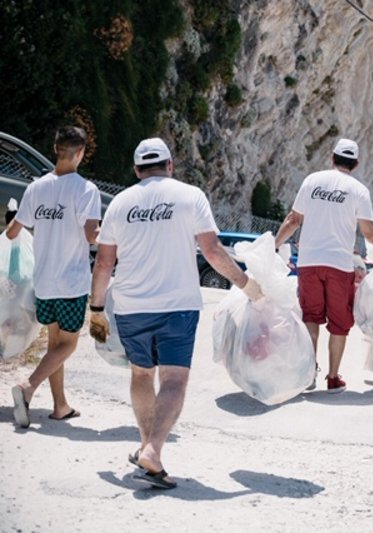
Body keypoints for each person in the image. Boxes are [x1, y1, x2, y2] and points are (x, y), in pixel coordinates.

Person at [89, 137, 264, 490]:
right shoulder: (190, 195)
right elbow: (212, 252)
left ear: (137, 170)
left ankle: (145, 448)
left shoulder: (120, 203)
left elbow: (105, 262)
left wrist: (95, 309)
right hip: (177, 307)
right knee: (173, 379)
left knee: (141, 374)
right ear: (170, 165)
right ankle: (152, 450)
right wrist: (245, 284)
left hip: (130, 306)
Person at [275, 138, 373, 393]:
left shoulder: (312, 181)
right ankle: (332, 378)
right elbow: (369, 232)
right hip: (339, 266)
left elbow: (294, 219)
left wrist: (274, 244)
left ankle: (307, 376)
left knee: (311, 317)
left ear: (332, 158)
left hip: (308, 262)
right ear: (356, 163)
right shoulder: (358, 190)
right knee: (339, 323)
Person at [6, 126, 101, 428]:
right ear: (80, 153)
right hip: (71, 283)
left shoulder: (36, 188)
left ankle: (60, 406)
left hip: (43, 283)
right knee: (68, 346)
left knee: (54, 346)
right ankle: (27, 386)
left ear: (56, 150)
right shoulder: (86, 190)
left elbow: (11, 232)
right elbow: (91, 236)